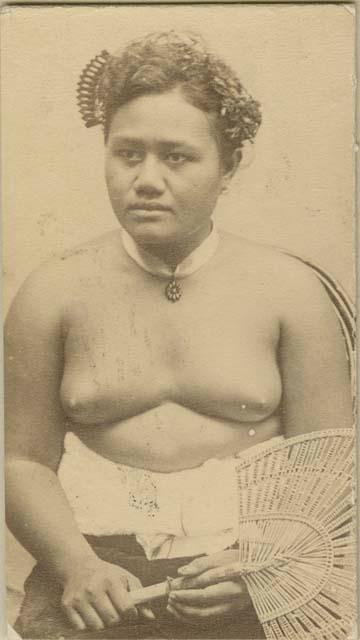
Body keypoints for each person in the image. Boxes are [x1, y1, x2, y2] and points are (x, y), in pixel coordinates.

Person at [6, 31, 353, 639]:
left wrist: (257, 571)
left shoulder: (291, 294)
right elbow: (23, 460)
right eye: (127, 153)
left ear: (229, 166)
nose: (146, 179)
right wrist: (76, 564)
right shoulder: (52, 292)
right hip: (90, 576)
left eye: (177, 156)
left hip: (253, 568)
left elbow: (326, 474)